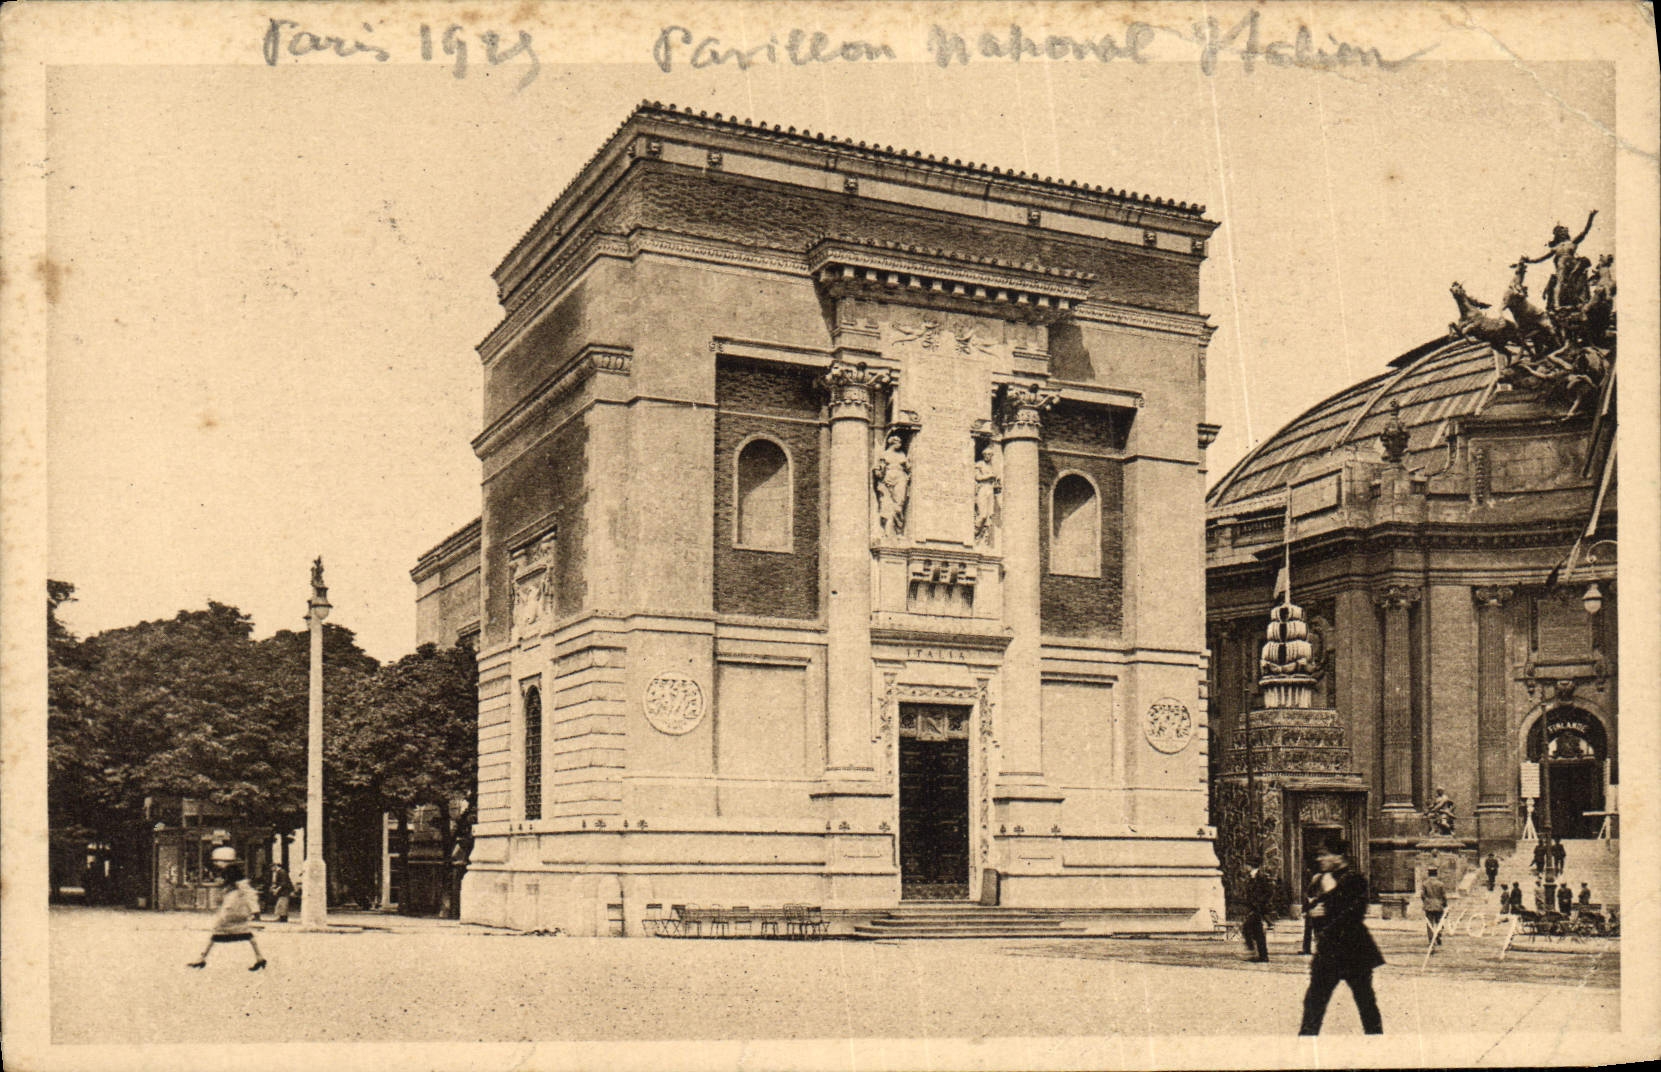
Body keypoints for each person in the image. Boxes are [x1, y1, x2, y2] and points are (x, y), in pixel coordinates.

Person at [1299, 837, 1384, 1036]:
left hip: (1354, 951)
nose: (1320, 859)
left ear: (1339, 857)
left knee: (1365, 1002)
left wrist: (1326, 903)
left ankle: (1377, 1042)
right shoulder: (1320, 879)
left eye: (1325, 855)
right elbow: (1311, 908)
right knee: (1314, 1001)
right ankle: (1304, 1046)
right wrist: (1316, 909)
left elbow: (1353, 913)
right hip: (1329, 952)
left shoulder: (1355, 879)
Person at [187, 863, 266, 971]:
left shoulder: (240, 885)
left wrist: (255, 911)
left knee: (216, 933)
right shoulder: (239, 884)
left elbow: (250, 896)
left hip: (232, 914)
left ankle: (201, 958)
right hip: (237, 913)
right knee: (247, 934)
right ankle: (259, 957)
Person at [871, 433, 910, 537]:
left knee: (899, 503)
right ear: (893, 442)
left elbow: (908, 467)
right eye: (898, 442)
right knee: (886, 504)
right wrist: (878, 473)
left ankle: (898, 530)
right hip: (888, 479)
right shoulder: (884, 454)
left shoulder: (902, 454)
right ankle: (887, 531)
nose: (900, 444)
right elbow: (879, 469)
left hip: (900, 478)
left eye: (901, 442)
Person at [1241, 856, 1273, 963]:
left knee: (1247, 928)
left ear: (1250, 866)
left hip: (1259, 908)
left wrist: (1259, 902)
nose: (1245, 867)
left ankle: (1256, 953)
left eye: (1246, 864)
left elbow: (1269, 892)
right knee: (1258, 932)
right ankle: (1262, 956)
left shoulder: (1261, 877)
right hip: (1253, 908)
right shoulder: (1251, 877)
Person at [1420, 867, 1447, 950]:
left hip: (1429, 906)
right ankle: (1438, 935)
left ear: (1429, 874)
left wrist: (1426, 901)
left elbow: (1422, 895)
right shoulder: (1440, 884)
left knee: (1430, 924)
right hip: (1439, 905)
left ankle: (1431, 939)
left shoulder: (1425, 884)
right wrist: (1445, 904)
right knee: (1440, 922)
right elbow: (1444, 896)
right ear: (1436, 874)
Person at [1300, 871, 1323, 954]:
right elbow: (1307, 899)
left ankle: (1314, 949)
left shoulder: (1322, 889)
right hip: (1311, 911)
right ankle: (1307, 949)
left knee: (1314, 931)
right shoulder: (1312, 888)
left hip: (1316, 911)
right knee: (1310, 931)